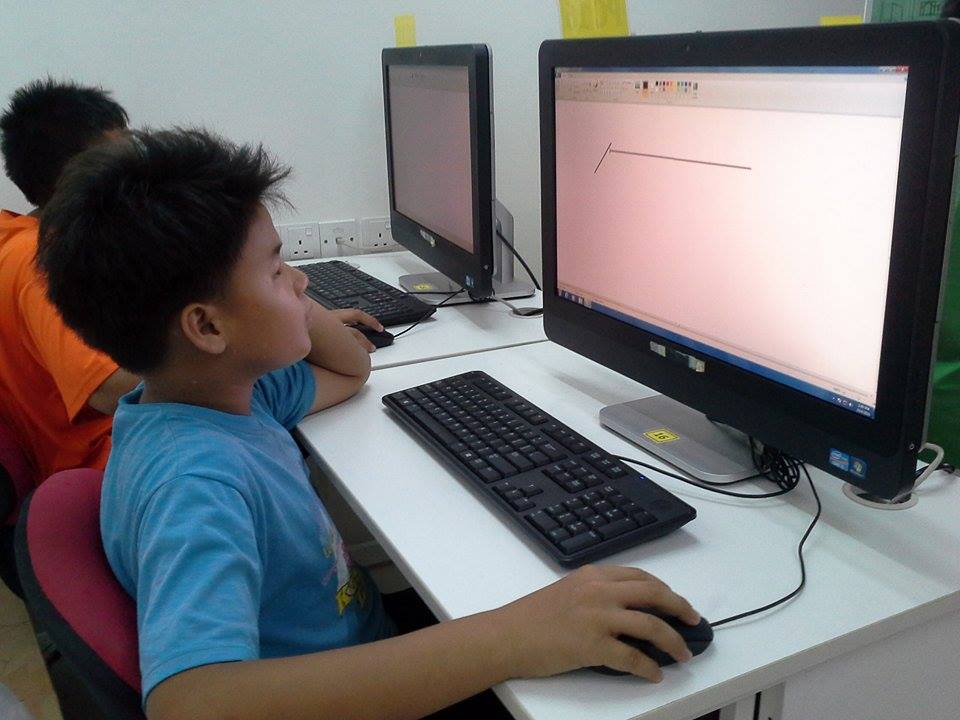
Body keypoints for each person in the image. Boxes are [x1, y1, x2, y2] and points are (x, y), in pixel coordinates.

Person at [37, 127, 703, 720]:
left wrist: (290, 302)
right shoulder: (195, 482)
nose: (302, 282)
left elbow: (351, 369)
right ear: (207, 327)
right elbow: (191, 703)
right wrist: (511, 638)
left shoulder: (224, 397)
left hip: (358, 641)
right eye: (276, 268)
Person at [0, 79, 138, 595]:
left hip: (95, 466)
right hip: (110, 478)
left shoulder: (26, 238)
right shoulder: (41, 265)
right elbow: (112, 389)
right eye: (123, 157)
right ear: (74, 176)